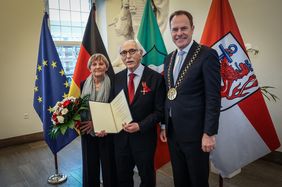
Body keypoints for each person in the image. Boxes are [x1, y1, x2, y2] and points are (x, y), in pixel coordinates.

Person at [160, 10, 221, 187]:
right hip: (173, 132)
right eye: (175, 29)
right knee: (180, 179)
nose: (179, 33)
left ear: (192, 28)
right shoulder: (168, 58)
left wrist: (209, 133)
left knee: (198, 180)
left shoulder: (207, 55)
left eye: (183, 28)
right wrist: (164, 124)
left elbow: (213, 97)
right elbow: (169, 94)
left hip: (196, 134)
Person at [114, 40, 165, 187]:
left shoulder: (155, 78)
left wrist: (140, 126)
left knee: (147, 177)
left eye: (132, 51)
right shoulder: (116, 78)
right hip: (121, 138)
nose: (128, 56)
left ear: (141, 54)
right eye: (124, 53)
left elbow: (159, 112)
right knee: (123, 177)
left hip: (144, 139)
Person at [80, 53, 117, 187]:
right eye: (94, 64)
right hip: (87, 131)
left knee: (109, 166)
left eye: (101, 64)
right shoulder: (83, 83)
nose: (97, 67)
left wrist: (97, 123)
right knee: (90, 166)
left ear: (106, 67)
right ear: (89, 67)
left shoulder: (114, 82)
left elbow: (114, 108)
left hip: (107, 132)